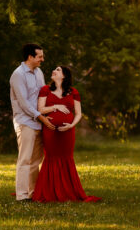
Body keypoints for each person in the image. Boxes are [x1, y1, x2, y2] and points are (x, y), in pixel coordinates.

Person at [31, 65, 101, 203]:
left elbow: (78, 113)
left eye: (57, 70)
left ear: (64, 75)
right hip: (50, 130)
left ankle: (68, 190)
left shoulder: (73, 92)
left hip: (68, 132)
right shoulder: (45, 90)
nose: (53, 71)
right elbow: (40, 109)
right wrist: (55, 107)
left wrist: (71, 125)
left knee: (66, 158)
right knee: (51, 157)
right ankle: (49, 191)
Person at [10, 43, 65, 201]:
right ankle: (21, 196)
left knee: (35, 161)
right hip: (25, 121)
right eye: (40, 56)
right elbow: (23, 103)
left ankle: (33, 193)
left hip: (40, 122)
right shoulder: (18, 75)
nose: (42, 59)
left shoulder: (38, 72)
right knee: (25, 159)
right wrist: (41, 117)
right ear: (30, 57)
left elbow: (44, 94)